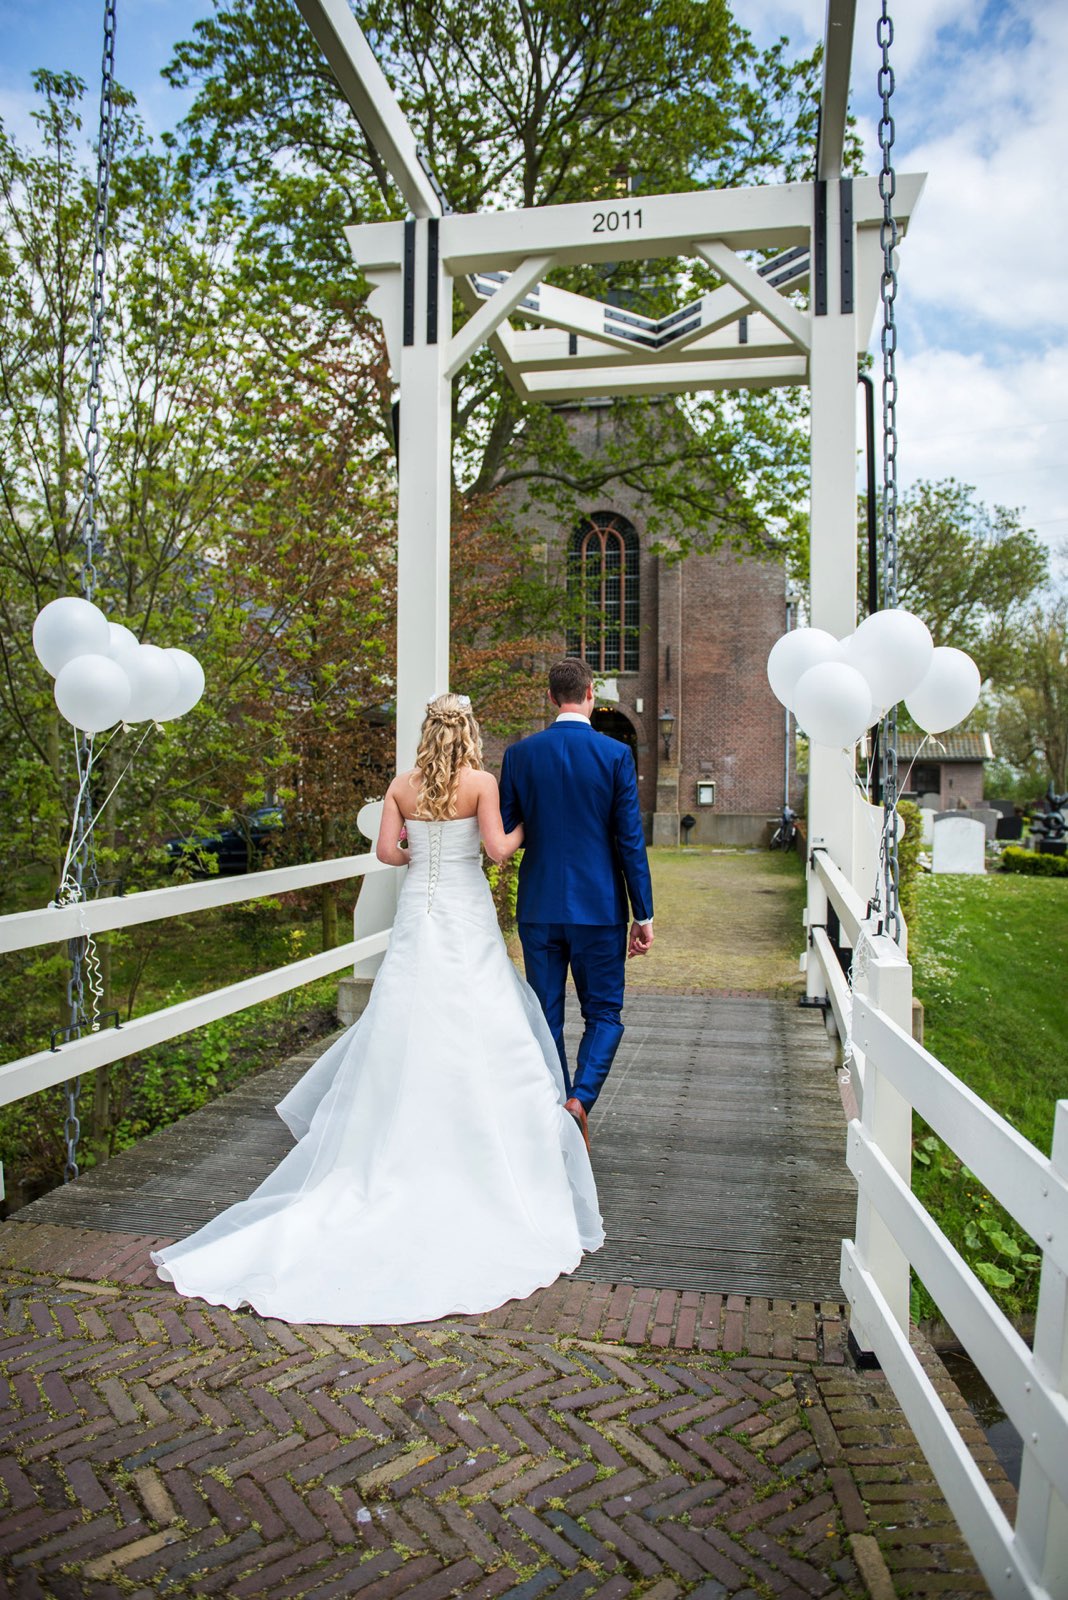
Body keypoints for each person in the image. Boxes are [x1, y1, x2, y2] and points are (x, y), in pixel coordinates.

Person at [151, 693, 603, 1325]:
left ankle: (390, 1136)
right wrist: (535, 826)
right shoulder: (481, 783)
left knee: (404, 1017)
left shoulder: (402, 785)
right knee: (481, 1016)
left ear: (427, 734)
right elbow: (499, 851)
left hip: (421, 914)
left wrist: (420, 852)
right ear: (468, 733)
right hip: (466, 916)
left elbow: (387, 855)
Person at [500, 658, 654, 1150]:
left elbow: (505, 830)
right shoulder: (614, 755)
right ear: (591, 693)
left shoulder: (520, 756)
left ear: (551, 698)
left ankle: (556, 1107)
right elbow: (629, 839)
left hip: (540, 905)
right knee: (604, 1013)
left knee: (544, 1015)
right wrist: (642, 913)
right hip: (600, 907)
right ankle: (579, 1101)